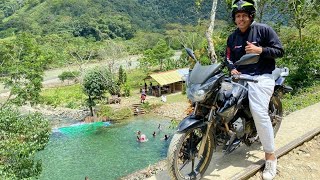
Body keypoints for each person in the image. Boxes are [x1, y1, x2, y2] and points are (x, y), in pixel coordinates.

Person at [225, 1, 284, 179]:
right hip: (240, 77)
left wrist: (260, 50)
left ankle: (271, 157)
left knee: (259, 111)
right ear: (234, 19)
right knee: (220, 99)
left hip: (262, 76)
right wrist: (231, 69)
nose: (240, 19)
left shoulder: (263, 30)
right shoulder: (232, 37)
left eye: (244, 15)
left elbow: (280, 51)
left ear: (250, 16)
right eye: (237, 16)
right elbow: (228, 58)